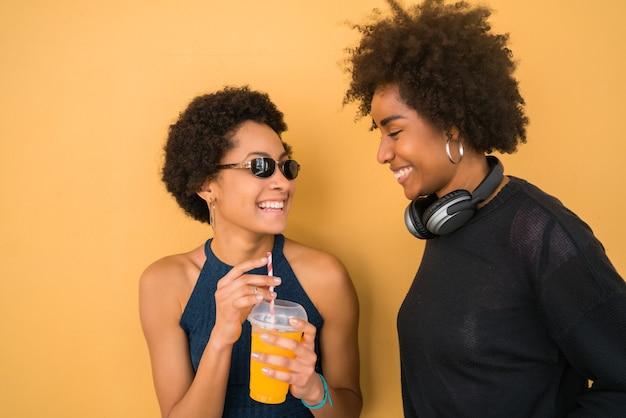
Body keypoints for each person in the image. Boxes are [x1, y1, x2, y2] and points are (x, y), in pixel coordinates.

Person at [342, 0, 626, 416]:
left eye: (395, 132)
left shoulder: (541, 233)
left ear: (452, 123)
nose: (383, 154)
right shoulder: (445, 222)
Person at [139, 86, 362, 418]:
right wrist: (221, 338)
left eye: (285, 168)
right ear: (205, 185)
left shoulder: (325, 276)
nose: (282, 183)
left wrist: (313, 389)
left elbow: (350, 409)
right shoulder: (165, 283)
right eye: (260, 166)